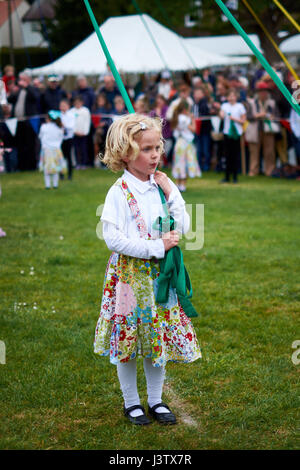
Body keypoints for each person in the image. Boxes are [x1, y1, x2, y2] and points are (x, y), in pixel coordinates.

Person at [94, 113, 201, 426]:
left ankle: (155, 399)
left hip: (159, 279)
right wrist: (155, 247)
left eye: (158, 147)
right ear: (126, 153)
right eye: (147, 149)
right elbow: (112, 237)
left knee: (157, 336)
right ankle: (132, 403)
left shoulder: (159, 188)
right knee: (127, 339)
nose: (156, 155)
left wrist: (172, 193)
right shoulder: (119, 192)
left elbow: (184, 226)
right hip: (128, 279)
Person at [8, 72, 40, 171]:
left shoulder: (33, 89)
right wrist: (14, 90)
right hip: (18, 121)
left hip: (29, 121)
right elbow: (10, 100)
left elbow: (35, 97)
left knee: (30, 144)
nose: (20, 81)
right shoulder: (18, 90)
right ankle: (21, 166)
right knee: (20, 145)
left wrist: (27, 86)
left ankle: (31, 166)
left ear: (27, 80)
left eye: (23, 79)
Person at [245, 81, 278, 177]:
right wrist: (259, 115)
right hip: (255, 129)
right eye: (261, 91)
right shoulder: (252, 103)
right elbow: (249, 117)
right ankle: (253, 171)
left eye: (265, 91)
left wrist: (270, 116)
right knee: (254, 151)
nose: (263, 93)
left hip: (268, 130)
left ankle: (269, 170)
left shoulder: (272, 103)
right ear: (257, 93)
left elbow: (276, 116)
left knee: (269, 151)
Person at [171, 99, 201, 192]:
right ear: (185, 109)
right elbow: (194, 129)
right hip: (186, 143)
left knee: (179, 162)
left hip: (179, 142)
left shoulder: (177, 117)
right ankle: (182, 184)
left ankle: (177, 183)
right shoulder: (184, 118)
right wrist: (192, 119)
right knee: (186, 162)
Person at [219, 89, 246, 184]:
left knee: (235, 155)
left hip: (236, 134)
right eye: (229, 96)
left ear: (236, 97)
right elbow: (221, 115)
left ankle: (235, 176)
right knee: (227, 155)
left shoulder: (240, 106)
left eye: (233, 96)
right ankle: (227, 177)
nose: (231, 98)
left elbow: (243, 121)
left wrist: (234, 119)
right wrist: (221, 114)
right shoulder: (225, 106)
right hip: (227, 133)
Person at [38, 110, 65, 189]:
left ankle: (48, 185)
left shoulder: (44, 127)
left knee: (47, 168)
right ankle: (55, 185)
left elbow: (40, 136)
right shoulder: (60, 128)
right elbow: (61, 138)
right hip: (56, 150)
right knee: (56, 168)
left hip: (46, 150)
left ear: (49, 119)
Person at [193, 86, 212, 171]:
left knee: (205, 149)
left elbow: (205, 113)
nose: (196, 95)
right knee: (199, 149)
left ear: (202, 94)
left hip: (204, 130)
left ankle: (206, 166)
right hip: (198, 130)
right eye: (195, 93)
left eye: (198, 93)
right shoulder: (195, 104)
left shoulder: (204, 103)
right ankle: (199, 165)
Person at [72, 96, 91, 169]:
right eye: (76, 103)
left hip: (83, 134)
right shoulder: (72, 111)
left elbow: (87, 122)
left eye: (79, 103)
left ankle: (84, 163)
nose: (77, 104)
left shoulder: (85, 111)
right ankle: (77, 163)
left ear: (82, 103)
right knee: (76, 149)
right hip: (75, 134)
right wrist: (74, 131)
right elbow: (71, 123)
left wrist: (85, 132)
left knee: (83, 149)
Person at [59, 99, 75, 180]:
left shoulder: (71, 115)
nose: (62, 107)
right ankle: (61, 174)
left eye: (64, 106)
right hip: (60, 138)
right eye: (61, 106)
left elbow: (71, 126)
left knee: (68, 157)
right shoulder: (59, 115)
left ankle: (70, 174)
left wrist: (63, 125)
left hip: (68, 138)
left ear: (68, 106)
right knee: (61, 157)